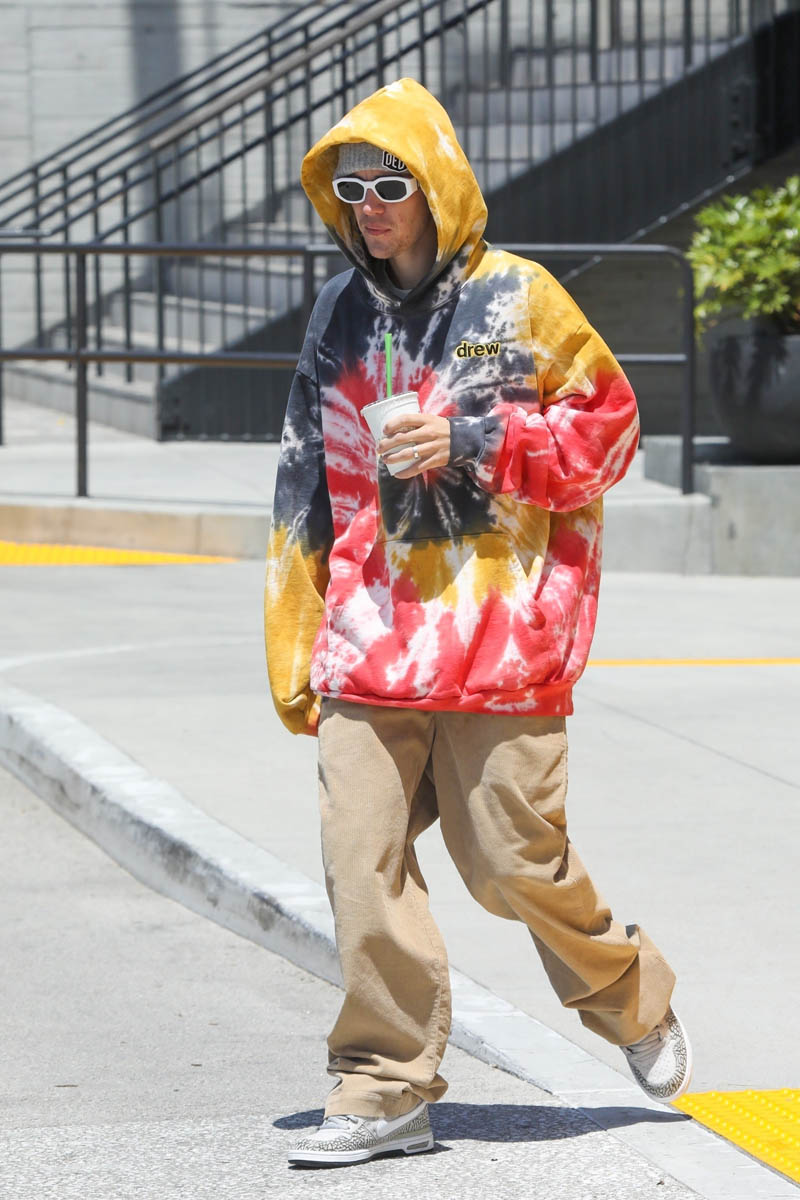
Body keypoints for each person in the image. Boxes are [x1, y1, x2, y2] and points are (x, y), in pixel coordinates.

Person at [264, 77, 692, 1168]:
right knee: (358, 862)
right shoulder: (338, 311)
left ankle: (628, 993)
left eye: (388, 183)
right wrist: (295, 631)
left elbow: (608, 435)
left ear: (436, 183)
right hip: (370, 634)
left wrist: (475, 438)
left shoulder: (520, 297)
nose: (368, 206)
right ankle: (383, 1083)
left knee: (509, 866)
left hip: (498, 640)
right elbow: (304, 476)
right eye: (348, 188)